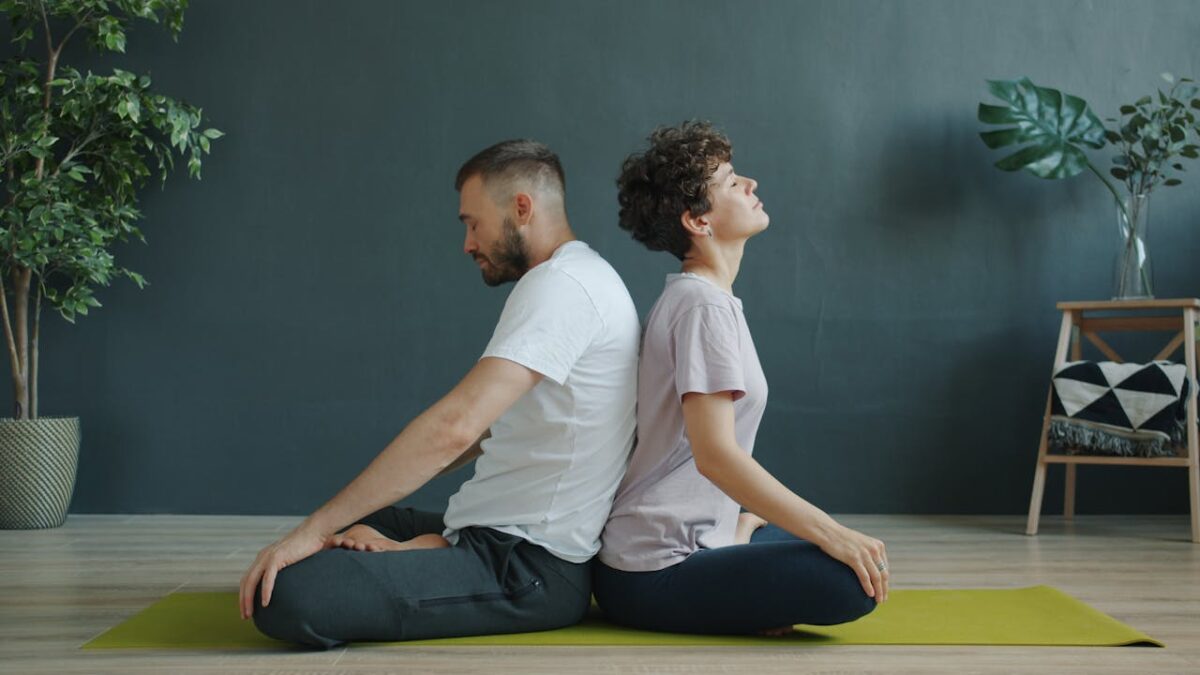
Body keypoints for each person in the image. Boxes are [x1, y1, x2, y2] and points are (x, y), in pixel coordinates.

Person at [238, 139, 641, 649]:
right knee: (361, 520)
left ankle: (423, 553)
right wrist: (332, 525)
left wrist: (315, 531)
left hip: (527, 567)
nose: (467, 244)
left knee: (289, 595)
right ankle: (426, 549)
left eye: (473, 223)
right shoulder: (575, 277)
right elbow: (491, 427)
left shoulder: (563, 287)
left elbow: (456, 427)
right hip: (493, 536)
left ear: (521, 208)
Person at [594, 121, 888, 635]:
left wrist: (742, 520)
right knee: (847, 579)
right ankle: (737, 572)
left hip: (685, 544)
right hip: (653, 569)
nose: (750, 183)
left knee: (837, 554)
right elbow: (715, 456)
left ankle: (735, 543)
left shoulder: (705, 299)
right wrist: (832, 532)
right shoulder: (701, 306)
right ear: (697, 221)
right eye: (731, 182)